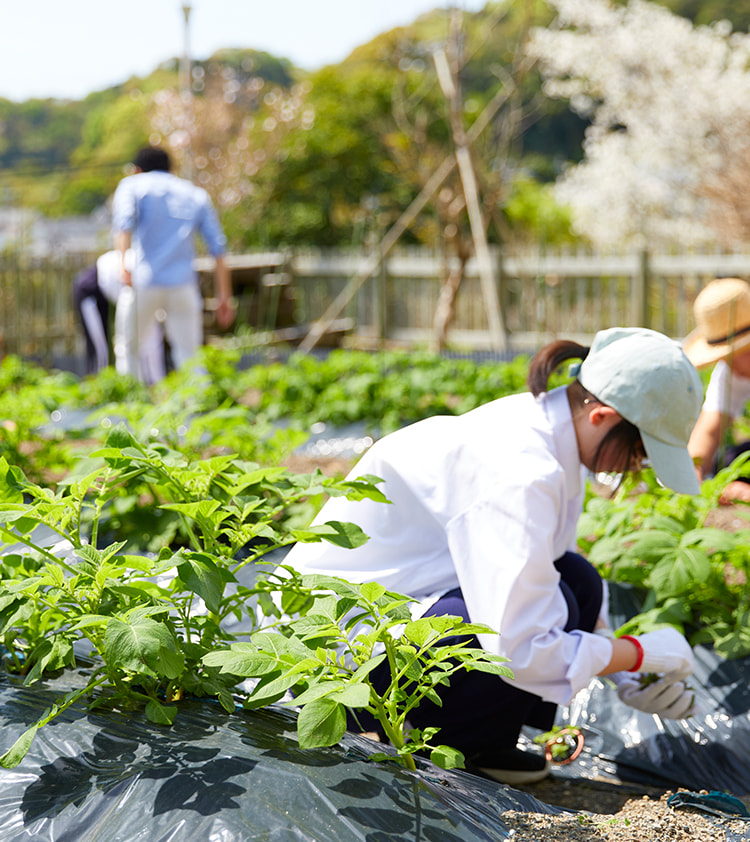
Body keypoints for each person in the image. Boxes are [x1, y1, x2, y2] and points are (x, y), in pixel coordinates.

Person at [280, 327, 702, 785]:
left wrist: (625, 677)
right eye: (640, 451)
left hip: (401, 602)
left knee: (576, 579)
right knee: (479, 626)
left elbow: (549, 567)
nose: (636, 466)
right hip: (336, 650)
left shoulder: (552, 434)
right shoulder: (520, 470)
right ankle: (425, 737)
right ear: (603, 415)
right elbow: (519, 647)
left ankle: (482, 742)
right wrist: (636, 654)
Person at [110, 146, 235, 380]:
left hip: (143, 282)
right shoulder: (194, 193)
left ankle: (131, 407)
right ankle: (198, 408)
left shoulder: (133, 185)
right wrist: (224, 296)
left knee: (129, 350)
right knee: (190, 357)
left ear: (137, 170)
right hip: (183, 285)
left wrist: (123, 265)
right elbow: (217, 248)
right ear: (171, 168)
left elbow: (123, 225)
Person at [684, 277, 750, 503]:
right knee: (732, 460)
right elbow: (709, 432)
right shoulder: (730, 372)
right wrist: (694, 477)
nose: (724, 363)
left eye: (728, 355)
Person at [72, 250, 165, 383]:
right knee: (101, 349)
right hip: (90, 292)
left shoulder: (156, 284)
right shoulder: (144, 274)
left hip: (110, 296)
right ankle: (98, 391)